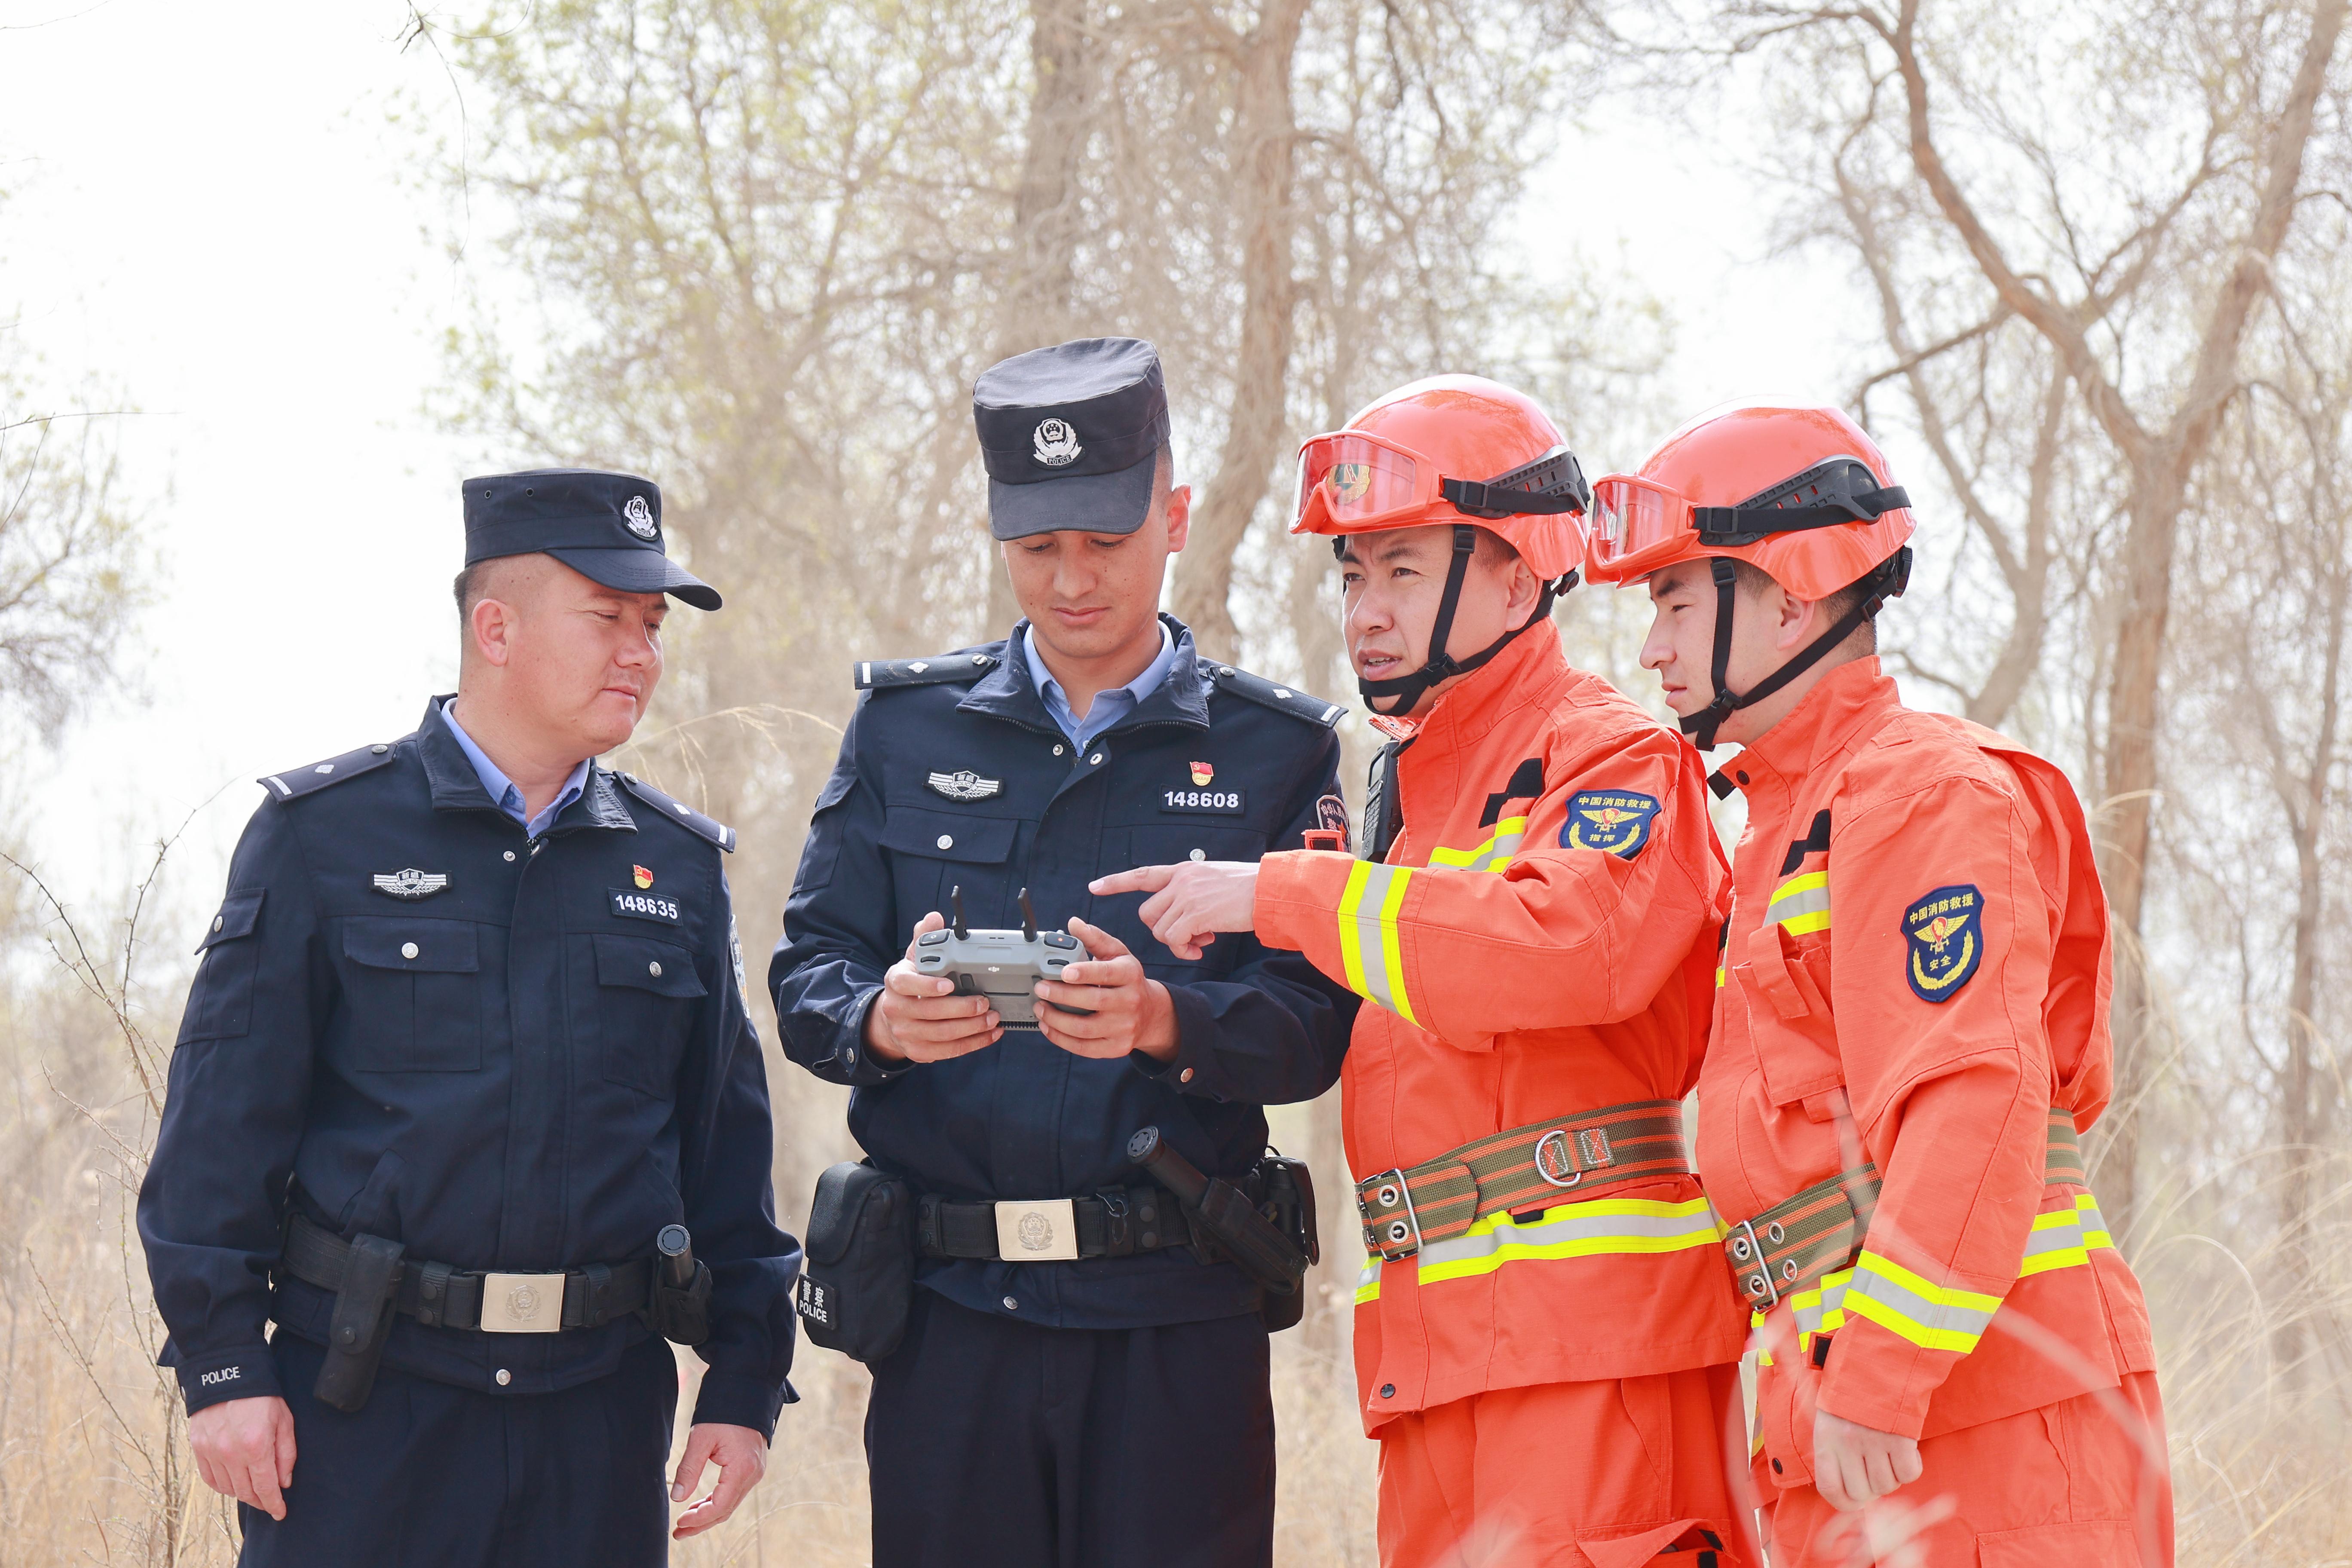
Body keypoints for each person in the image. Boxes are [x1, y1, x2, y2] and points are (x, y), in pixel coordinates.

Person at [1100, 376, 1752, 1566]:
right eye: (1354, 576)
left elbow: (1566, 949)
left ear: (1520, 575)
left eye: (1403, 571)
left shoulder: (1615, 757)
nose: (1367, 612)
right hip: (1438, 1364)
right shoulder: (1408, 805)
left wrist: (1287, 893)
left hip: (1589, 1361)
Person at [138, 470, 800, 1567]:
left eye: (651, 626)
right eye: (607, 618)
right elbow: (220, 1131)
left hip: (597, 1420)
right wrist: (222, 1366)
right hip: (365, 1408)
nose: (641, 653)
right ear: (495, 628)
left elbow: (727, 1149)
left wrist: (745, 1382)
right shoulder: (323, 836)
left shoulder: (678, 867)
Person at [770, 336, 1359, 1568]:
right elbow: (809, 970)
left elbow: (1315, 1021)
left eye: (1105, 540)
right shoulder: (904, 728)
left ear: (1174, 520)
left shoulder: (1277, 750)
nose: (1073, 579)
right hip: (948, 1329)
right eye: (1038, 547)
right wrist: (881, 1019)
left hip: (1175, 1327)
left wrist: (1167, 1023)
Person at [1580, 401, 2171, 1563]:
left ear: (1789, 599)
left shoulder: (1919, 792)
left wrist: (1881, 1376)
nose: (1651, 648)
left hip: (1982, 1421)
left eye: (1676, 603)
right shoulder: (1789, 822)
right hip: (1854, 1416)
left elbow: (1975, 1100)